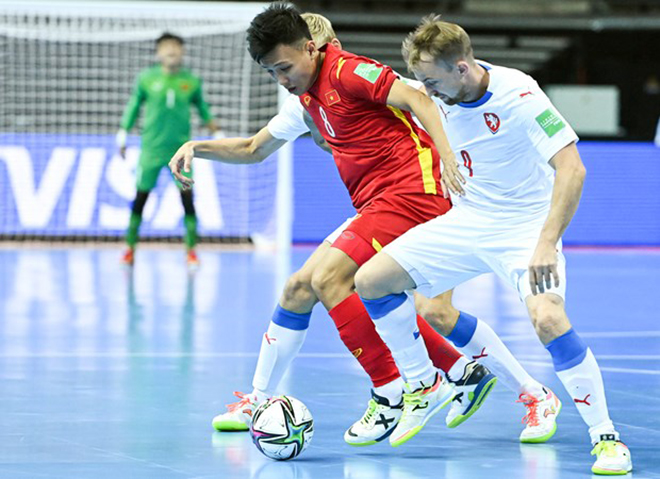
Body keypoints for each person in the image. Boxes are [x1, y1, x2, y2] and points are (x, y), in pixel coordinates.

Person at [170, 8, 510, 448]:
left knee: (333, 278)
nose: (281, 79)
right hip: (377, 203)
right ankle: (457, 371)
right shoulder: (305, 98)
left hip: (412, 192)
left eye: (285, 68)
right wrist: (196, 147)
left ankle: (392, 392)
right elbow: (254, 149)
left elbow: (421, 99)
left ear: (313, 48)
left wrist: (447, 156)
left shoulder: (350, 73)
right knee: (300, 287)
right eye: (272, 72)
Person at [353, 15, 631, 474]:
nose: (427, 91)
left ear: (462, 67)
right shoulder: (436, 89)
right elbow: (380, 88)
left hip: (525, 229)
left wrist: (545, 243)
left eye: (432, 81)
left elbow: (573, 170)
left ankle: (605, 437)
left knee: (547, 319)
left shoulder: (519, 95)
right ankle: (423, 384)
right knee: (372, 281)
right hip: (467, 221)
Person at [117, 32, 221, 267]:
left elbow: (204, 110)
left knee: (187, 199)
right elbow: (133, 106)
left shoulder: (191, 81)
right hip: (152, 151)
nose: (171, 51)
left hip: (181, 152)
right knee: (140, 198)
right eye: (166, 47)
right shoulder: (146, 79)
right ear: (158, 52)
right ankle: (129, 248)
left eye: (176, 46)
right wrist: (122, 133)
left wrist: (217, 134)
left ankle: (191, 250)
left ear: (182, 51)